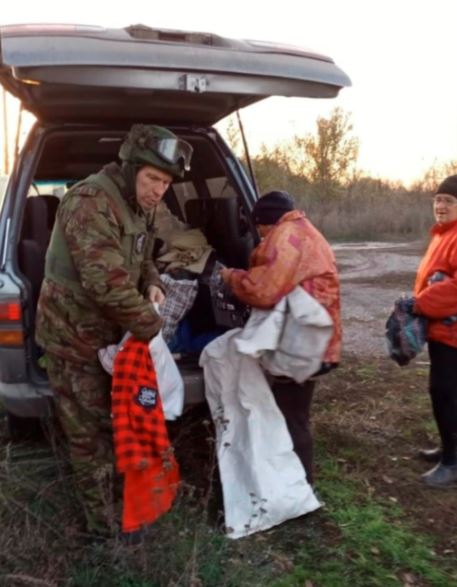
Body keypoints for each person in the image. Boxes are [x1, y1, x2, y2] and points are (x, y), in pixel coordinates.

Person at [35, 124, 193, 533]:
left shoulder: (141, 205)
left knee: (116, 426)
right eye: (152, 179)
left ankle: (124, 512)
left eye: (165, 182)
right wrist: (152, 326)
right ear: (130, 169)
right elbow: (104, 282)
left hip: (109, 341)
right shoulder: (90, 201)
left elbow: (141, 259)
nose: (159, 190)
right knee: (91, 442)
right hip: (74, 341)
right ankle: (104, 535)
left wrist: (154, 283)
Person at [221, 190, 341, 484]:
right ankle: (291, 482)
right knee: (291, 411)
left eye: (258, 226)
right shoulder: (302, 228)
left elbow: (263, 290)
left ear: (264, 221)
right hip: (315, 339)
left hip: (303, 344)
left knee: (291, 416)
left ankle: (299, 488)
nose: (258, 233)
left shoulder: (286, 237)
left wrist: (231, 277)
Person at [413, 174, 457, 488]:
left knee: (444, 394)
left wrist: (419, 304)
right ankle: (449, 449)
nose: (441, 206)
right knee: (446, 393)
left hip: (452, 335)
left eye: (449, 201)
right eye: (438, 200)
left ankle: (452, 464)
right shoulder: (443, 234)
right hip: (441, 331)